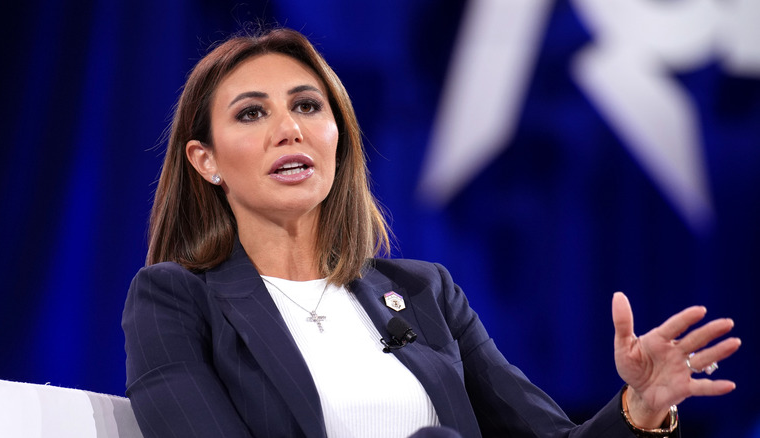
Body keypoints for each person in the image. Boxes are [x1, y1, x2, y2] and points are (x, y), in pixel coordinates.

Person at [122, 27, 741, 438]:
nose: (290, 129)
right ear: (205, 161)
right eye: (252, 112)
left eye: (308, 106)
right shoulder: (175, 300)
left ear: (338, 138)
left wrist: (640, 407)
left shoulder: (423, 292)